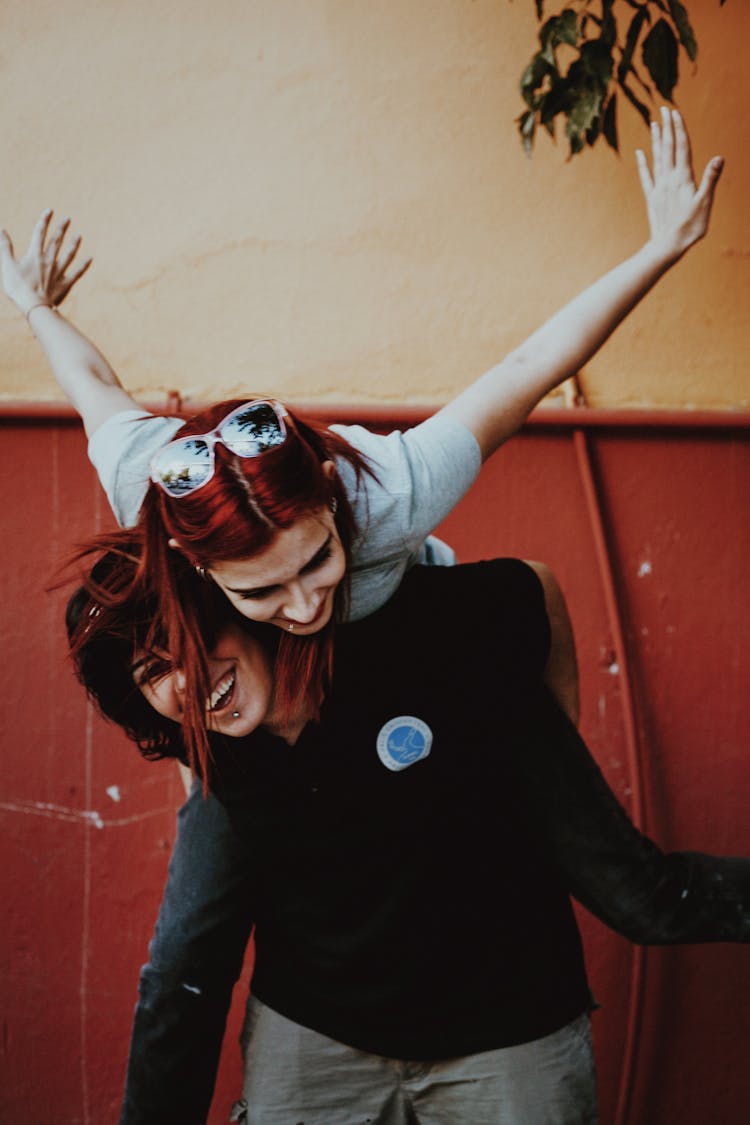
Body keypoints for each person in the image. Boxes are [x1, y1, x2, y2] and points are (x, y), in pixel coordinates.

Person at [1, 108, 724, 779]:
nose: (305, 601)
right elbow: (91, 382)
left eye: (316, 559)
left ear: (324, 485)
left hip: (409, 610)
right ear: (196, 561)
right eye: (260, 588)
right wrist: (34, 302)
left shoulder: (392, 489)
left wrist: (662, 249)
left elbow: (529, 367)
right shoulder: (148, 488)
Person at [67, 549, 750, 1125]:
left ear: (238, 608)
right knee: (186, 958)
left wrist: (554, 738)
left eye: (190, 641)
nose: (188, 678)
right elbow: (186, 974)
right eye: (156, 669)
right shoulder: (222, 746)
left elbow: (532, 584)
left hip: (508, 1020)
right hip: (318, 1027)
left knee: (643, 899)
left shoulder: (414, 635)